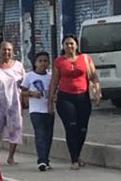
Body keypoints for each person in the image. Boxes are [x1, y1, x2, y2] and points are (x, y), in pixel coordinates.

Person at [48, 34, 100, 170]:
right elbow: (54, 81)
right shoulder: (59, 61)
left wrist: (97, 91)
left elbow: (94, 77)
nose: (69, 46)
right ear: (63, 46)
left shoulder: (86, 59)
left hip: (82, 97)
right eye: (66, 44)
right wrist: (50, 99)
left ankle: (78, 154)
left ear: (76, 45)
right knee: (71, 127)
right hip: (66, 98)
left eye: (71, 43)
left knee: (82, 129)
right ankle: (74, 159)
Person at [21, 52, 54, 171]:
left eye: (45, 61)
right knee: (39, 134)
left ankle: (46, 158)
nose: (43, 63)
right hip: (36, 110)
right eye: (40, 61)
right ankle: (42, 160)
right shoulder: (29, 76)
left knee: (48, 136)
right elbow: (22, 91)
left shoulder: (50, 77)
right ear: (35, 63)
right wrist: (31, 93)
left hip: (48, 110)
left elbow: (55, 90)